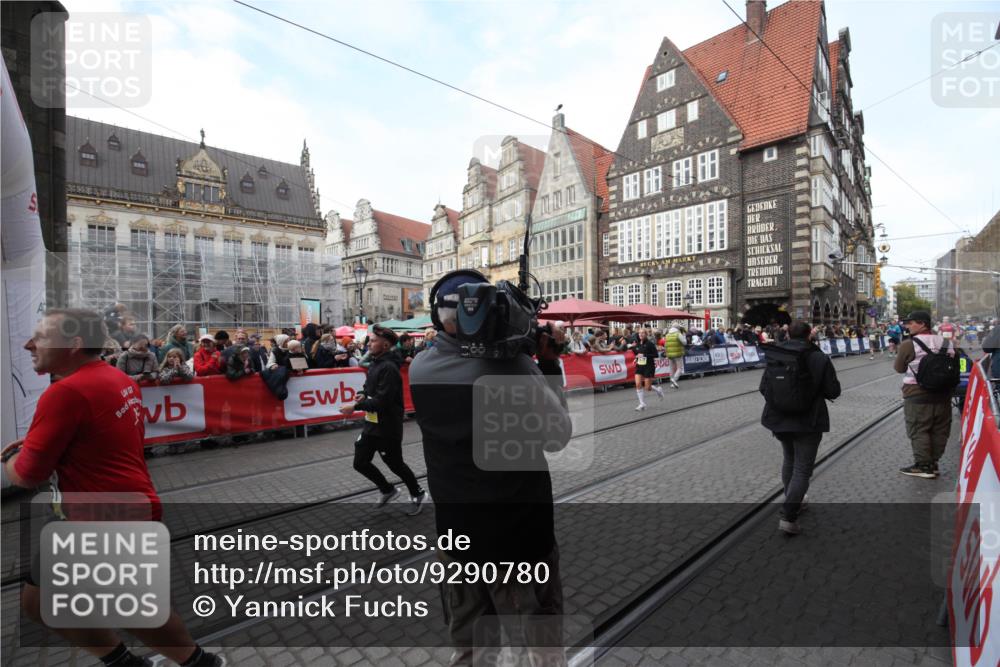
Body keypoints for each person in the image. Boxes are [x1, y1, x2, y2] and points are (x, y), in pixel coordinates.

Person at [2, 309, 223, 667]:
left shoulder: (65, 392)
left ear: (74, 344)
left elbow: (27, 474)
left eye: (40, 337)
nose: (29, 344)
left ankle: (199, 664)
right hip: (103, 511)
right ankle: (129, 662)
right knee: (40, 601)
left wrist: (12, 460)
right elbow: (99, 433)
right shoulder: (115, 377)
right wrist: (42, 441)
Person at [409, 270, 573, 666]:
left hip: (457, 536)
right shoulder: (518, 369)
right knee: (540, 642)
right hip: (519, 536)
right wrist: (547, 362)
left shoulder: (420, 368)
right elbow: (558, 436)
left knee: (471, 646)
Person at [759, 321, 842, 535]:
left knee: (789, 459)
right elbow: (833, 391)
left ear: (787, 335)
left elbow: (764, 387)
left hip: (779, 419)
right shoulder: (819, 357)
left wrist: (781, 401)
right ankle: (789, 515)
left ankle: (794, 499)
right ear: (809, 335)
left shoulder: (776, 354)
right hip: (808, 420)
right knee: (802, 469)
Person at [339, 325, 425, 513]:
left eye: (373, 341)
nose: (369, 344)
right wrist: (362, 394)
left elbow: (383, 401)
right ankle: (388, 490)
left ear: (385, 345)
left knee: (395, 464)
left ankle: (418, 493)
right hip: (372, 424)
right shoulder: (376, 362)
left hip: (387, 426)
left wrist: (354, 407)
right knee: (360, 462)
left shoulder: (389, 368)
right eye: (369, 340)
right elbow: (369, 387)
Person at [894, 310, 957, 479]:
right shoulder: (947, 343)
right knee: (940, 430)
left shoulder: (909, 344)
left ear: (922, 324)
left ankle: (923, 466)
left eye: (911, 322)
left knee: (919, 429)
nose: (907, 326)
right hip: (943, 394)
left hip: (917, 394)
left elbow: (899, 368)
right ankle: (933, 463)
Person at [633, 328, 664, 411]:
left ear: (646, 334)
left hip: (649, 366)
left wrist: (644, 355)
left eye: (643, 333)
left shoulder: (650, 344)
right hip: (640, 366)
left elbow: (656, 355)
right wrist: (636, 359)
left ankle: (658, 390)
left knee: (648, 388)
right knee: (638, 384)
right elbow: (638, 354)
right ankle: (642, 404)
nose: (640, 334)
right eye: (639, 333)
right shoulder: (638, 344)